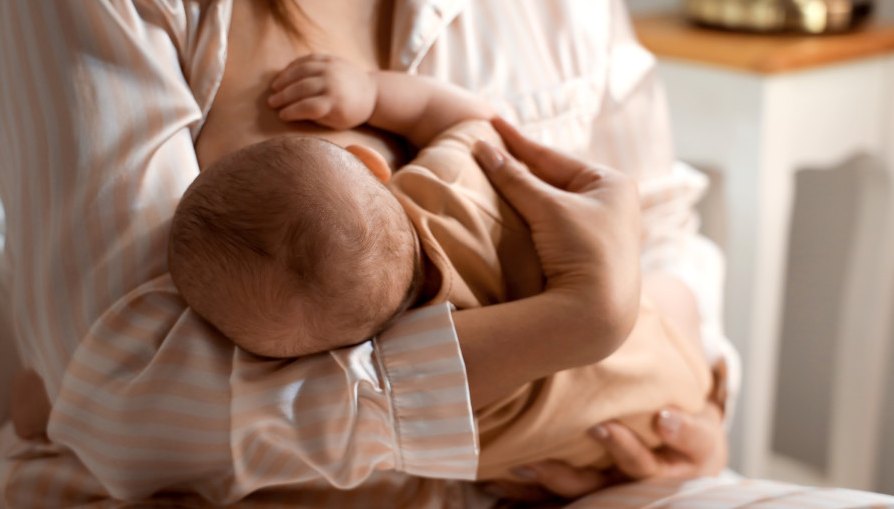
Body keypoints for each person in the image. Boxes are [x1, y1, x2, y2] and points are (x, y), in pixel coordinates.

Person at [0, 0, 739, 507]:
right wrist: (577, 327)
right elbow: (122, 400)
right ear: (374, 163)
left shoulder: (446, 187)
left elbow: (659, 223)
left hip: (567, 465)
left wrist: (688, 412)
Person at [164, 56, 712, 479]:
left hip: (620, 430)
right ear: (371, 163)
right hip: (661, 333)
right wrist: (372, 92)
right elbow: (469, 115)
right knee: (678, 300)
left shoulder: (427, 362)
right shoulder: (447, 182)